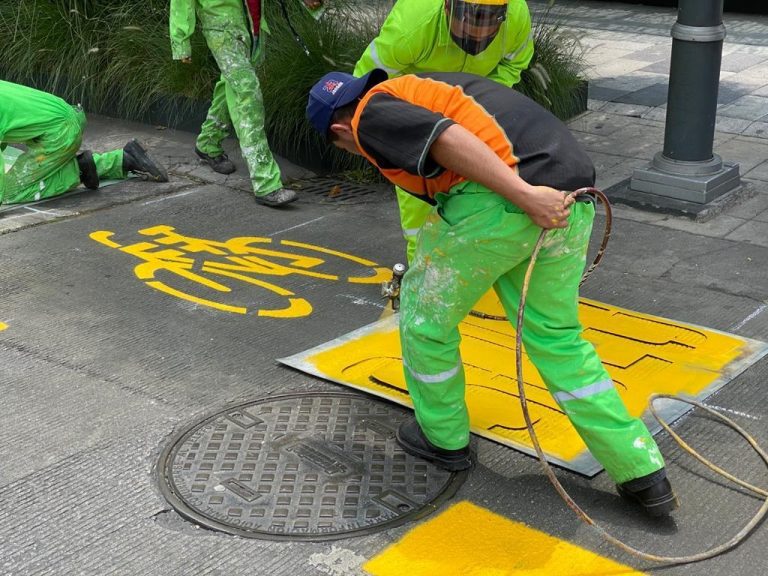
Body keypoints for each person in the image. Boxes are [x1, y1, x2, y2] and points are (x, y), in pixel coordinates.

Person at [306, 70, 678, 517]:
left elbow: (446, 140)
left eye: (344, 147)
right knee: (557, 339)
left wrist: (524, 196)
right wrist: (535, 199)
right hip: (571, 203)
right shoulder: (420, 88)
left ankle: (443, 439)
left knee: (425, 321)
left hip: (508, 202)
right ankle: (641, 471)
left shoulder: (369, 114)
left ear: (339, 131)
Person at [354, 0, 534, 262]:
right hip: (413, 119)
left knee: (475, 201)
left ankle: (459, 275)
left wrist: (473, 103)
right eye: (469, 18)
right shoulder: (412, 25)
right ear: (448, 7)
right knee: (419, 217)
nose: (477, 32)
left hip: (473, 113)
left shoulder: (516, 14)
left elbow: (514, 64)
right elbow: (367, 81)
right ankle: (422, 283)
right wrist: (389, 134)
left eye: (489, 20)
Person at [169, 0, 322, 208]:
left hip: (252, 26)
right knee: (248, 95)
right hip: (221, 30)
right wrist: (180, 39)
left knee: (233, 85)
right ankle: (266, 182)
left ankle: (208, 142)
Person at [0, 80, 167, 206]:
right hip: (64, 117)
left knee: (8, 191)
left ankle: (80, 169)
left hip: (59, 133)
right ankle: (124, 159)